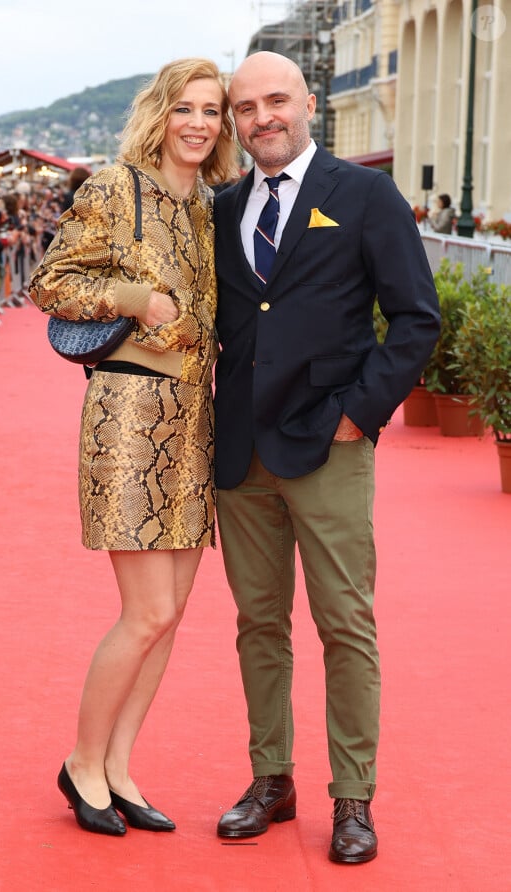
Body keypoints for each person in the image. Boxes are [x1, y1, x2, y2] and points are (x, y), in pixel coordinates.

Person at [212, 51, 440, 864]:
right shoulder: (223, 207)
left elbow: (416, 319)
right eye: (245, 107)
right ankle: (271, 779)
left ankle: (353, 797)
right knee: (257, 626)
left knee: (346, 624)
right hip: (240, 454)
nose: (261, 117)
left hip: (330, 448)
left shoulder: (366, 196)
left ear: (308, 103)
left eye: (276, 100)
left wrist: (357, 415)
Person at [29, 57, 236, 837]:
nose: (199, 123)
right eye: (185, 107)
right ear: (160, 112)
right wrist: (134, 299)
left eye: (212, 111)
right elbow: (50, 281)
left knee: (173, 610)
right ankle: (82, 762)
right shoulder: (116, 189)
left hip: (192, 417)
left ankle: (118, 766)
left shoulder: (209, 204)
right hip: (128, 413)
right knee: (146, 610)